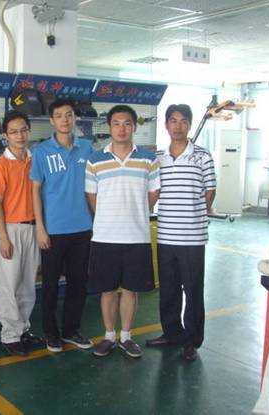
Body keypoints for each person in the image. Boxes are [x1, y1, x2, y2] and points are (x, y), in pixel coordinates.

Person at [85, 104, 160, 359]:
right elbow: (92, 196)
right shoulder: (95, 160)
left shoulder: (148, 159)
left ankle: (126, 336)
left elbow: (154, 193)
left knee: (131, 289)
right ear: (109, 127)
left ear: (134, 127)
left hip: (136, 237)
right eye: (116, 123)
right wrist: (111, 215)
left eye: (127, 123)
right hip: (104, 236)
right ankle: (109, 336)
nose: (121, 128)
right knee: (107, 290)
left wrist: (134, 211)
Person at [145, 104, 216, 361]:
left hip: (192, 238)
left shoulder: (202, 156)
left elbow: (210, 190)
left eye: (183, 121)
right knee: (169, 289)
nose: (178, 126)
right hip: (165, 235)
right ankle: (172, 333)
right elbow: (153, 191)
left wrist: (196, 214)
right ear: (166, 125)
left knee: (193, 290)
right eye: (173, 121)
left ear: (189, 124)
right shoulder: (158, 158)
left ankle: (192, 341)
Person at [30, 98, 94, 353]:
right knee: (50, 285)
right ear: (51, 120)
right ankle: (50, 333)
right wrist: (40, 227)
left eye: (69, 115)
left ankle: (71, 330)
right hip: (53, 230)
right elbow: (35, 191)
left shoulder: (87, 148)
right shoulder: (41, 151)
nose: (65, 120)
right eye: (59, 116)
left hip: (83, 228)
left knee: (78, 283)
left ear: (75, 117)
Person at [0, 110, 42, 356]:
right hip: (10, 230)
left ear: (29, 132)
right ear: (5, 136)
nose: (19, 136)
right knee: (9, 286)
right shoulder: (0, 165)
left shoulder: (36, 160)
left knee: (28, 284)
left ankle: (23, 329)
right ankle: (10, 335)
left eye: (23, 130)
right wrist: (3, 237)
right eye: (13, 132)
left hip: (33, 229)